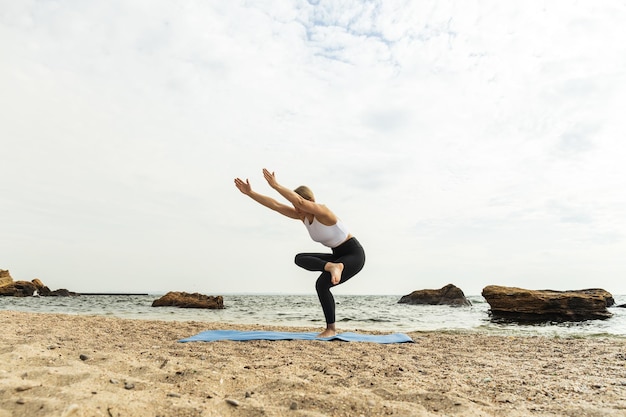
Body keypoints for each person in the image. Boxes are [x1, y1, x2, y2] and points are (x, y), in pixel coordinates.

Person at [234, 168, 366, 337]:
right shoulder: (302, 216)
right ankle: (331, 325)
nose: (295, 209)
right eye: (294, 206)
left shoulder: (324, 212)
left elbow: (301, 203)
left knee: (322, 284)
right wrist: (250, 193)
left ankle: (331, 325)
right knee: (301, 260)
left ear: (310, 201)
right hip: (336, 257)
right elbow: (275, 205)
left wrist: (275, 185)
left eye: (297, 204)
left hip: (354, 255)